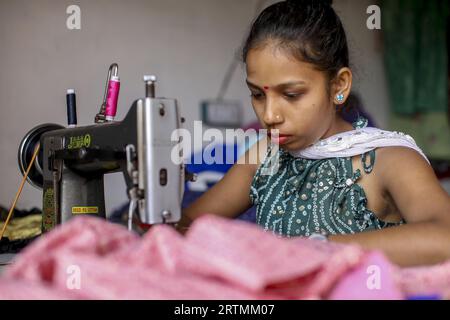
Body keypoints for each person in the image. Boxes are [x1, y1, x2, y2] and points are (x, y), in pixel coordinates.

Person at [176, 0, 450, 267]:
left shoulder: (389, 159)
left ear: (339, 85)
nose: (270, 116)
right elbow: (184, 226)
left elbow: (444, 238)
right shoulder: (264, 158)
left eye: (292, 94)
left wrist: (315, 248)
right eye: (258, 95)